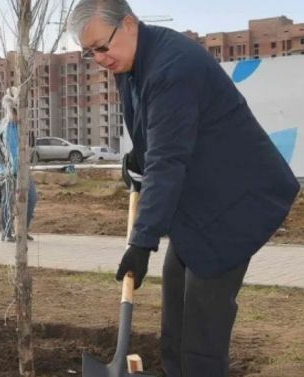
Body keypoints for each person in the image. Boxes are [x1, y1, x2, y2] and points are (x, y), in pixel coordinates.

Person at [69, 1, 300, 376]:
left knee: (202, 334)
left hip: (235, 204)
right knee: (174, 318)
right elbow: (158, 134)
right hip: (198, 201)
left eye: (101, 46)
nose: (98, 58)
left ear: (128, 24)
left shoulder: (172, 68)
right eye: (89, 52)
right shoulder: (129, 62)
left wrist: (141, 242)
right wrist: (138, 159)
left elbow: (169, 161)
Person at [0, 88, 37, 242]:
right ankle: (6, 233)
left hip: (23, 169)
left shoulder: (22, 126)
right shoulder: (7, 126)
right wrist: (13, 170)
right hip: (9, 171)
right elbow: (9, 151)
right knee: (8, 201)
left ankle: (22, 230)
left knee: (31, 197)